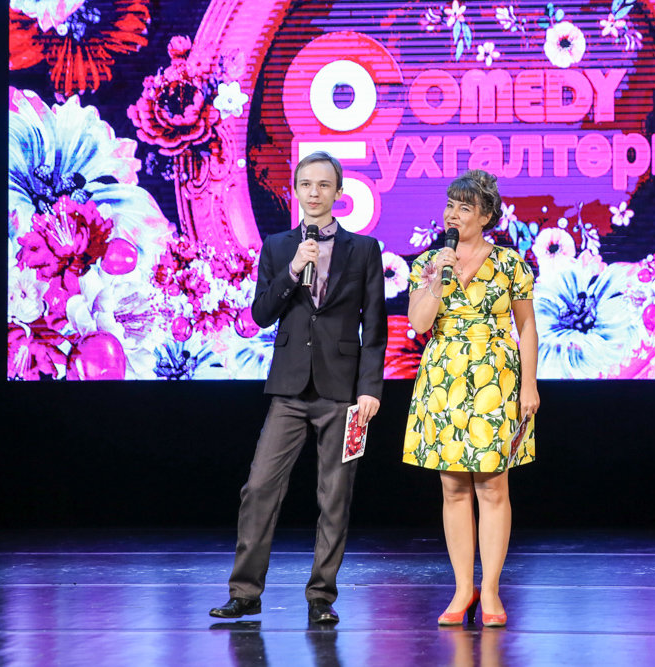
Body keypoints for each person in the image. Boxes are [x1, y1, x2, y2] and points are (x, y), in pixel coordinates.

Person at [210, 152, 387, 625]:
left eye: (324, 185)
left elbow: (375, 327)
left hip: (343, 392)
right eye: (306, 184)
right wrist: (292, 270)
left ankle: (321, 597)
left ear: (338, 192)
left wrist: (370, 387)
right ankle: (245, 593)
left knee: (335, 495)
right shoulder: (278, 246)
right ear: (295, 189)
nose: (314, 192)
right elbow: (260, 314)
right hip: (289, 388)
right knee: (259, 488)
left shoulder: (364, 249)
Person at [402, 169, 539, 627]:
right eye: (450, 206)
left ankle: (492, 590)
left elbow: (527, 328)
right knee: (453, 486)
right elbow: (419, 324)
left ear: (486, 216)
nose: (453, 215)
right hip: (444, 378)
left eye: (465, 208)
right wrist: (437, 279)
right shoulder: (429, 262)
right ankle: (464, 589)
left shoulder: (510, 264)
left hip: (496, 378)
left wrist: (530, 385)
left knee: (492, 486)